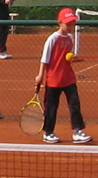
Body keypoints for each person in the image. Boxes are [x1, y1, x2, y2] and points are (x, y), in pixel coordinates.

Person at [34, 8, 90, 144]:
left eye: (72, 23)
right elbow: (45, 59)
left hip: (68, 78)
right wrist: (40, 75)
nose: (70, 26)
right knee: (51, 107)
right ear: (60, 23)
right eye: (68, 23)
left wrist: (75, 58)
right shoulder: (52, 39)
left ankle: (78, 131)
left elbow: (67, 56)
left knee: (74, 105)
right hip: (54, 80)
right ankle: (48, 132)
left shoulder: (70, 38)